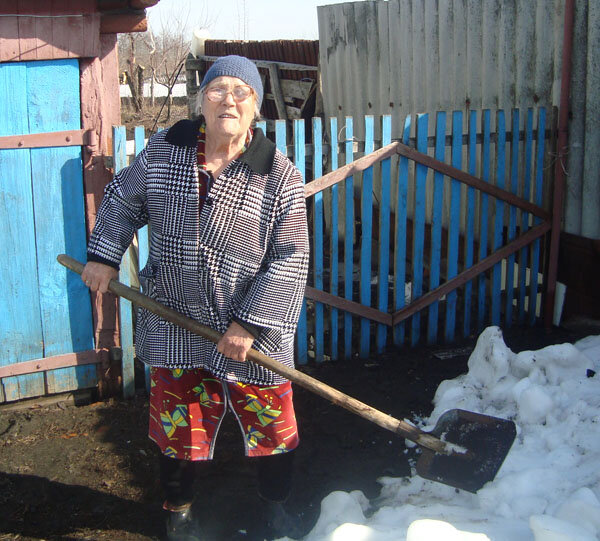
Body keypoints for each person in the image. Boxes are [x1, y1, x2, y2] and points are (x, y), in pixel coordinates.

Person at [81, 55, 309, 540]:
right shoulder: (165, 151)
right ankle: (179, 514)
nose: (229, 99)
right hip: (175, 319)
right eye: (218, 89)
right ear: (200, 100)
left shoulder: (277, 173)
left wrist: (248, 323)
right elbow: (123, 200)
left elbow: (290, 257)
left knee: (274, 432)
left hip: (254, 335)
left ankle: (275, 510)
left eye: (241, 92)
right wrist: (103, 254)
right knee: (178, 431)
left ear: (256, 109)